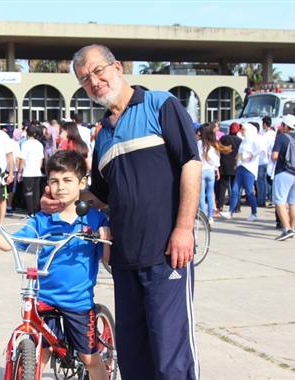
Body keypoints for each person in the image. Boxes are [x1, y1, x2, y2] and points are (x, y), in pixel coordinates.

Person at [41, 44, 201, 379]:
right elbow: (99, 196)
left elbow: (191, 163)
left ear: (117, 68)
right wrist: (62, 199)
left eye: (98, 71)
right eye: (85, 79)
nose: (94, 81)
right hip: (124, 259)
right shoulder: (104, 135)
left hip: (167, 255)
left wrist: (184, 228)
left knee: (170, 356)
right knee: (133, 356)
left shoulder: (161, 105)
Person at [0, 150, 111, 380]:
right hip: (44, 296)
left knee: (90, 358)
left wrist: (106, 235)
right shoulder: (42, 219)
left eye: (67, 180)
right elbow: (7, 243)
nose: (60, 187)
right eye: (54, 181)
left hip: (77, 299)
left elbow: (107, 258)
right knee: (41, 350)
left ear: (82, 182)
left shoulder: (93, 218)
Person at [220, 123, 263, 221]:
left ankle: (254, 213)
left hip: (249, 168)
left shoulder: (253, 140)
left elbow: (262, 148)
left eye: (243, 129)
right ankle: (230, 212)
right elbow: (240, 153)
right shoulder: (244, 141)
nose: (241, 131)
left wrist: (252, 155)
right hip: (240, 167)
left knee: (249, 191)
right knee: (235, 190)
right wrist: (237, 162)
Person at [198, 123, 231, 223]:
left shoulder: (199, 143)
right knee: (210, 193)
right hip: (211, 171)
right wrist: (217, 169)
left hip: (201, 170)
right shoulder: (214, 144)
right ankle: (210, 216)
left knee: (201, 195)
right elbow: (217, 160)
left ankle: (203, 216)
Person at [18, 124, 45, 219]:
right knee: (36, 192)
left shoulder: (25, 144)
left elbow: (22, 159)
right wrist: (39, 168)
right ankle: (36, 211)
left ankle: (30, 212)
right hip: (37, 172)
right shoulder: (39, 144)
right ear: (35, 133)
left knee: (28, 192)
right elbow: (41, 159)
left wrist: (19, 172)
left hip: (28, 172)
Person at [217, 122, 242, 213]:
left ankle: (220, 205)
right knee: (235, 186)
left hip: (224, 163)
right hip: (235, 165)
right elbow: (241, 154)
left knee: (223, 186)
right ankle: (236, 206)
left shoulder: (223, 138)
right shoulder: (240, 140)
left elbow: (218, 149)